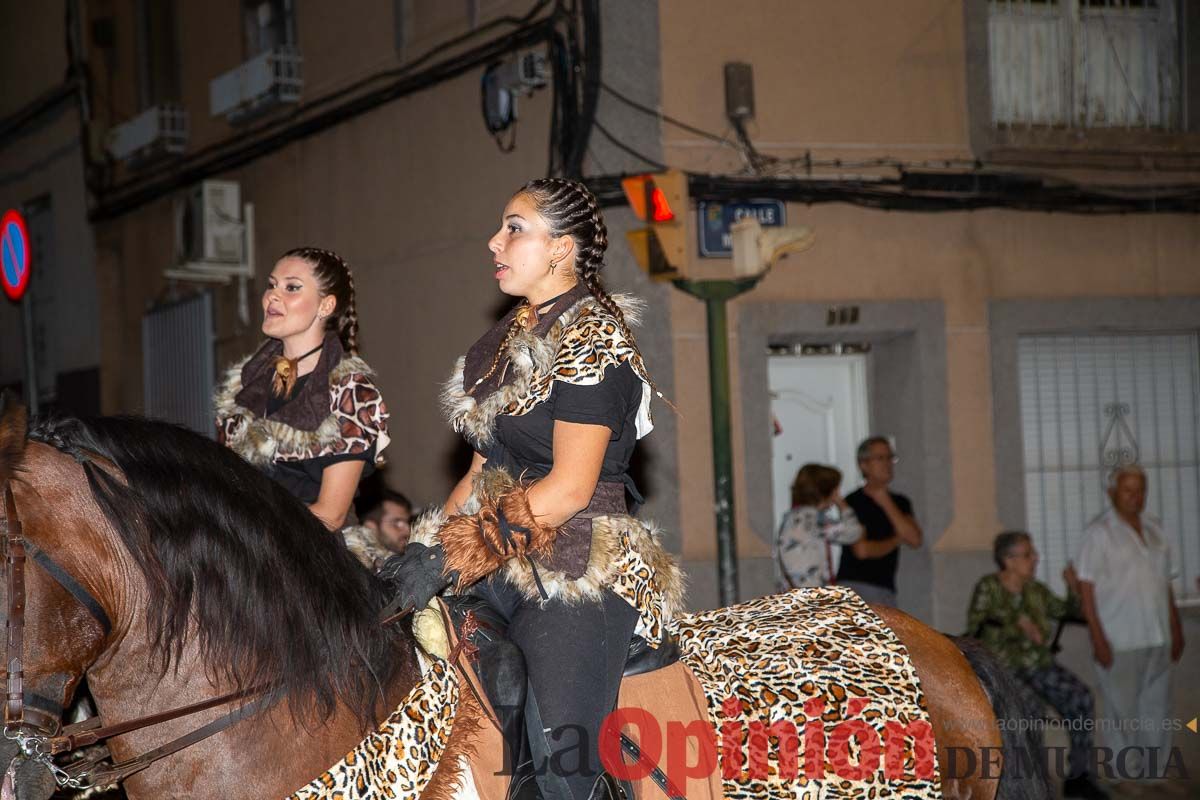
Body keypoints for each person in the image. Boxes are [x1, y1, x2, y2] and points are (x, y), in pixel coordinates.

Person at [387, 178, 682, 800]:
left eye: (514, 227)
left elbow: (570, 489)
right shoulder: (497, 347)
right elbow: (475, 475)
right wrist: (424, 549)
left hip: (581, 563)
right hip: (499, 557)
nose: (495, 241)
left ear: (562, 249)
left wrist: (454, 553)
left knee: (559, 769)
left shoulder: (593, 336)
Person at [215, 247, 389, 552]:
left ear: (325, 305)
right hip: (242, 554)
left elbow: (330, 516)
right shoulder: (244, 388)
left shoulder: (351, 393)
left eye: (292, 287)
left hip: (315, 561)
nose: (273, 296)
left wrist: (249, 532)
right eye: (271, 285)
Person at [967, 532, 1107, 800]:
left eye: (1033, 553)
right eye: (1028, 554)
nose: (1035, 559)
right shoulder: (989, 587)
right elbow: (976, 626)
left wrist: (1073, 587)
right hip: (1003, 669)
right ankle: (1031, 784)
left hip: (1038, 664)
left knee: (1080, 697)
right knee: (1027, 708)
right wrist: (1014, 622)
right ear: (1008, 560)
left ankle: (1079, 776)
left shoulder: (1036, 591)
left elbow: (1070, 611)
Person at [1076, 465, 1184, 787]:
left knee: (1157, 708)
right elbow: (1085, 586)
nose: (1136, 497)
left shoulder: (1155, 528)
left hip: (1158, 633)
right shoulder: (1098, 532)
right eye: (1128, 490)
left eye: (1141, 490)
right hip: (1119, 637)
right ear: (1111, 493)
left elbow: (1164, 583)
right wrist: (1097, 636)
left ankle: (1155, 774)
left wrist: (1176, 628)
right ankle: (1124, 776)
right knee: (1121, 711)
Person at [835, 436, 922, 606]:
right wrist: (896, 540)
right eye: (880, 458)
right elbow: (862, 550)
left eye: (890, 457)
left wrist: (885, 501)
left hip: (885, 588)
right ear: (863, 464)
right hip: (856, 586)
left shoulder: (900, 502)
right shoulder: (854, 501)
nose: (887, 463)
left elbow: (914, 539)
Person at [775, 463, 862, 590]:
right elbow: (854, 531)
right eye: (836, 490)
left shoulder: (793, 518)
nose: (837, 494)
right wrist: (842, 504)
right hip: (812, 597)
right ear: (826, 491)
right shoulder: (814, 520)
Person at [363, 488, 414, 554]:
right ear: (370, 527)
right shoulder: (355, 562)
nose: (408, 531)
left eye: (408, 522)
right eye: (397, 523)